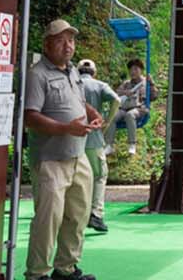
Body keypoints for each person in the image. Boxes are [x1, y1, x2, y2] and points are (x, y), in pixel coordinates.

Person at [24, 19, 103, 280]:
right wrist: (66, 128)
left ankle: (66, 269)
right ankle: (37, 274)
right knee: (48, 219)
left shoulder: (73, 72)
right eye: (60, 40)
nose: (68, 46)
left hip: (78, 155)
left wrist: (92, 113)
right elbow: (30, 117)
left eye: (71, 40)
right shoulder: (37, 75)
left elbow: (78, 101)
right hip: (50, 160)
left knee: (78, 216)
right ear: (47, 44)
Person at [76, 59, 119, 234]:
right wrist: (107, 121)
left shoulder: (71, 84)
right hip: (93, 138)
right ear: (94, 72)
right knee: (99, 175)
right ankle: (96, 213)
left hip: (70, 138)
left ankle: (73, 214)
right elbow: (116, 99)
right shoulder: (100, 85)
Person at [107, 58, 154, 156]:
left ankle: (132, 144)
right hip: (124, 108)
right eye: (131, 69)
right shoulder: (126, 83)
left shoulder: (145, 83)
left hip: (139, 108)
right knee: (113, 116)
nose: (133, 72)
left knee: (130, 115)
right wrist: (125, 92)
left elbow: (154, 96)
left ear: (141, 70)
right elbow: (116, 93)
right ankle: (109, 145)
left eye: (136, 69)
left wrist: (152, 83)